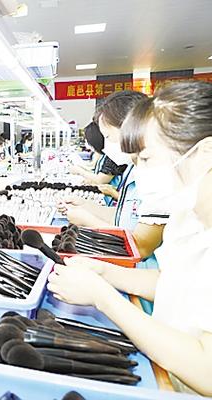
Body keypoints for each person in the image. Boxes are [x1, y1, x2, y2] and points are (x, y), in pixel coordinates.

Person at [48, 81, 212, 396]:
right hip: (165, 375)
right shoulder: (186, 215)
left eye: (146, 159)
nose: (141, 173)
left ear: (205, 153)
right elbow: (174, 283)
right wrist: (106, 272)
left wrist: (103, 298)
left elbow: (207, 370)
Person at [59, 90, 167, 259]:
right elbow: (123, 217)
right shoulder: (133, 170)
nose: (106, 146)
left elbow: (141, 247)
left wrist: (87, 220)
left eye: (108, 137)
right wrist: (85, 206)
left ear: (131, 128)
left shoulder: (159, 176)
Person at [68, 122, 125, 204]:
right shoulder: (105, 154)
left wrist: (80, 171)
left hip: (112, 200)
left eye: (107, 136)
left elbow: (101, 180)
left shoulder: (115, 156)